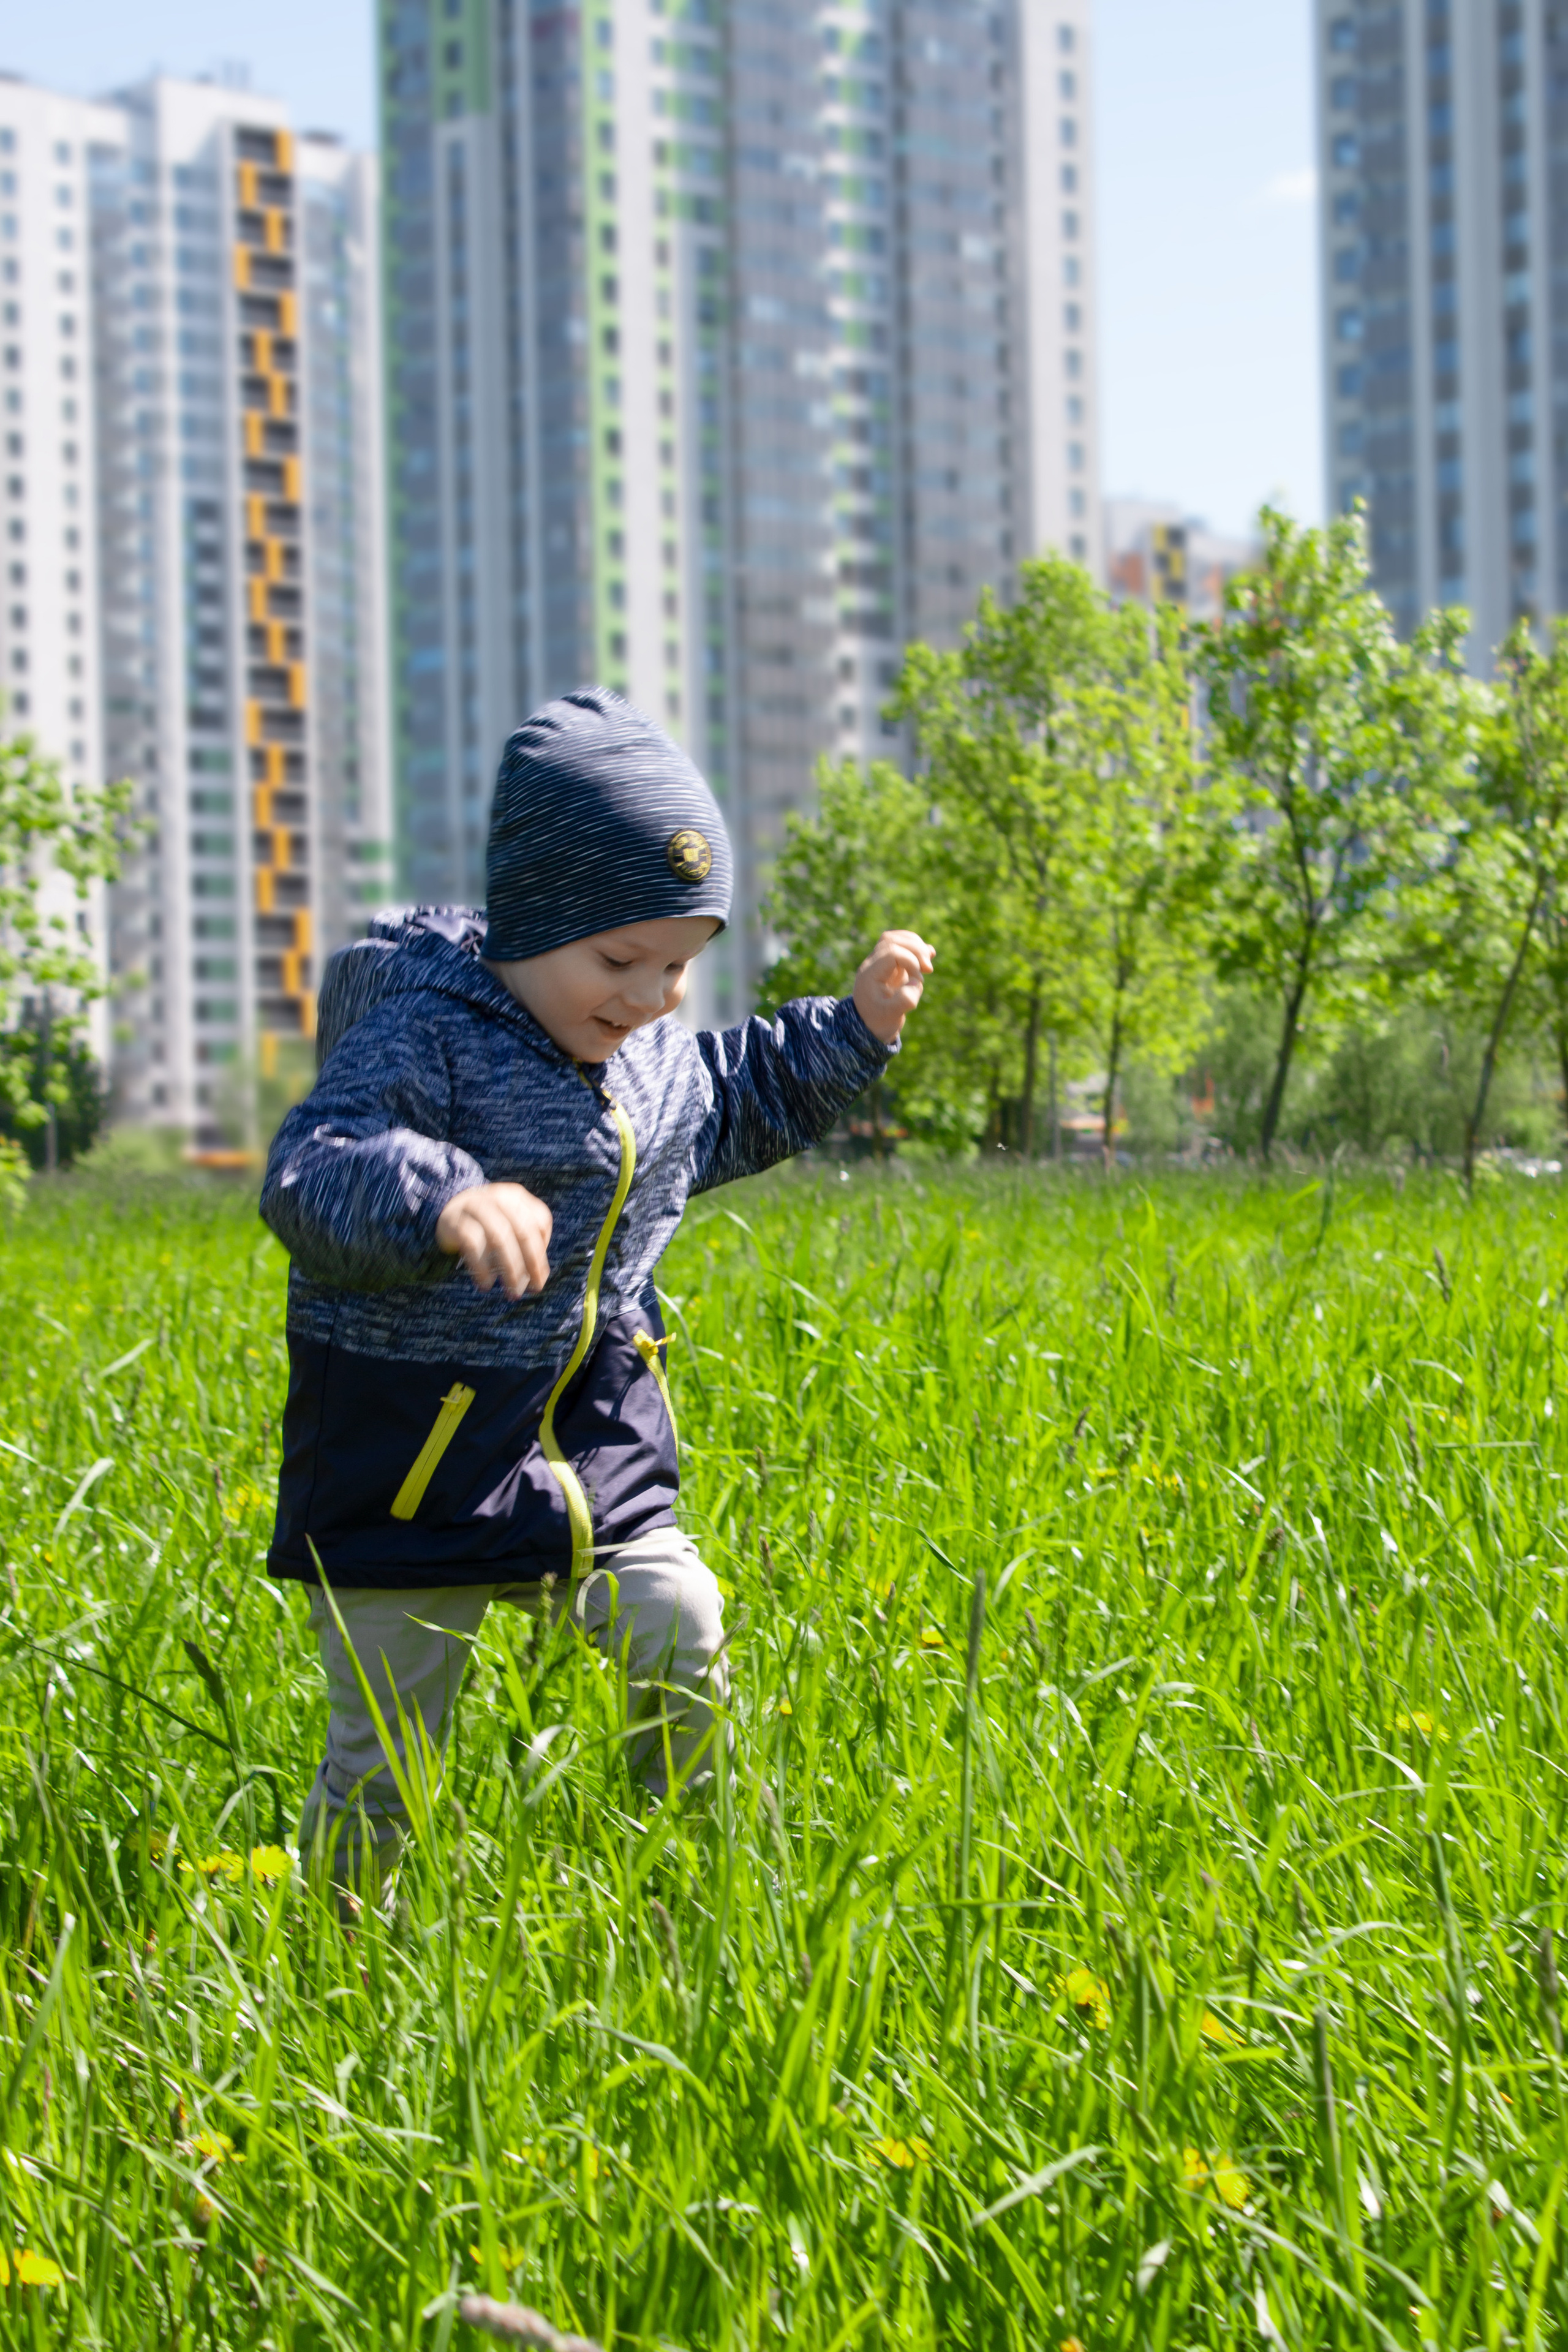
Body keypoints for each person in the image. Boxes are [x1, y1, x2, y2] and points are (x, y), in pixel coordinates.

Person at [260, 686, 932, 1884]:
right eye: (619, 959)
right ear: (529, 925)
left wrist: (855, 1030)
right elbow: (314, 1167)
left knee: (678, 1622)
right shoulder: (425, 1033)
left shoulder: (647, 1047)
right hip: (409, 1444)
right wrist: (440, 1201)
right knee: (388, 1745)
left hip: (589, 1425)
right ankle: (346, 1951)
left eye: (680, 965)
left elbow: (739, 1096)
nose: (651, 995)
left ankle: (696, 1880)